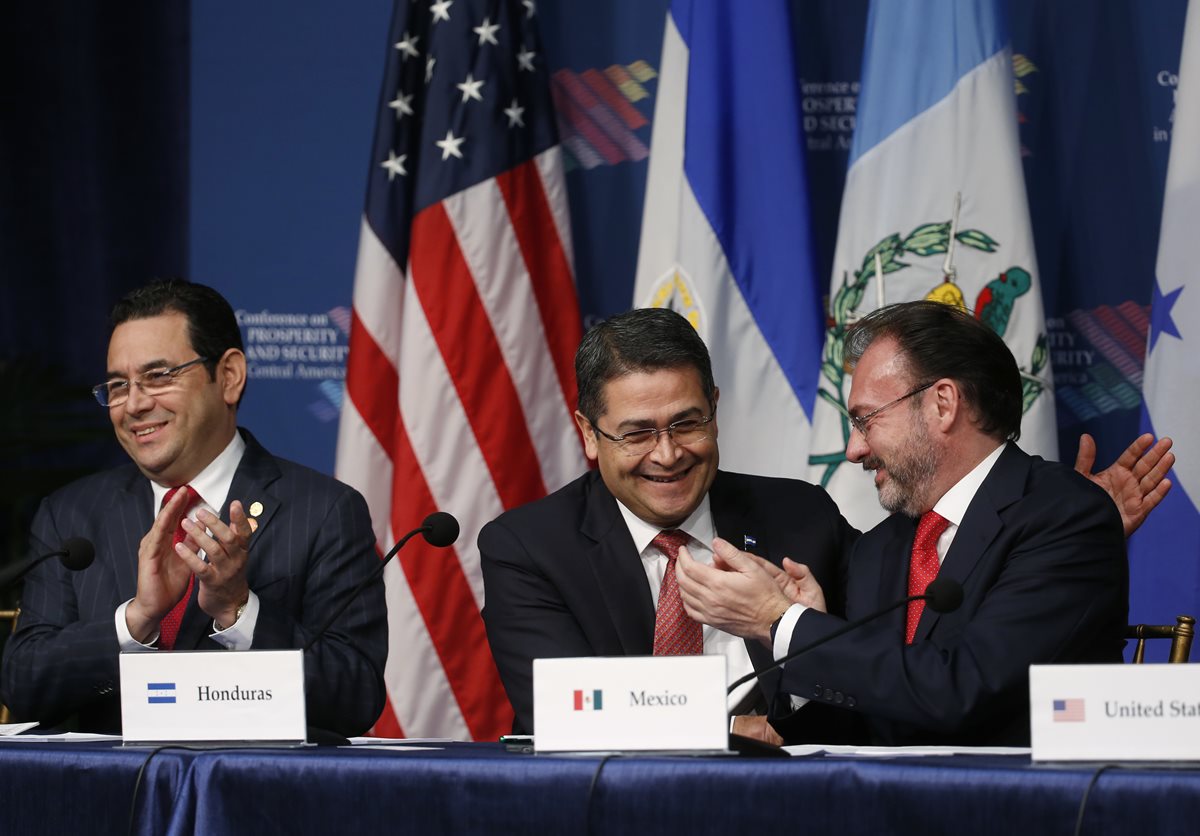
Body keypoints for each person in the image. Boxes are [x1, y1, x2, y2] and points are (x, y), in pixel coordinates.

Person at [479, 307, 1172, 737]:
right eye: (636, 433)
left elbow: (914, 675)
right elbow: (560, 707)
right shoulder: (529, 546)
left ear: (715, 411)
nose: (667, 454)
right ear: (588, 433)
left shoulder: (803, 519)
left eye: (687, 423)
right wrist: (720, 728)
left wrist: (791, 631)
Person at [676, 301, 1155, 745]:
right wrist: (807, 640)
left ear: (942, 404)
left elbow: (965, 689)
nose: (853, 450)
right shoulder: (879, 548)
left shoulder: (1065, 517)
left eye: (866, 420)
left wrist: (780, 622)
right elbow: (853, 729)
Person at [0, 280, 387, 737]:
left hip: (254, 795)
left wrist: (238, 610)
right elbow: (23, 686)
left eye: (159, 376)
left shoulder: (324, 511)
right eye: (118, 386)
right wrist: (136, 620)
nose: (136, 404)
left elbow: (355, 696)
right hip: (110, 798)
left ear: (228, 377)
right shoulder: (71, 515)